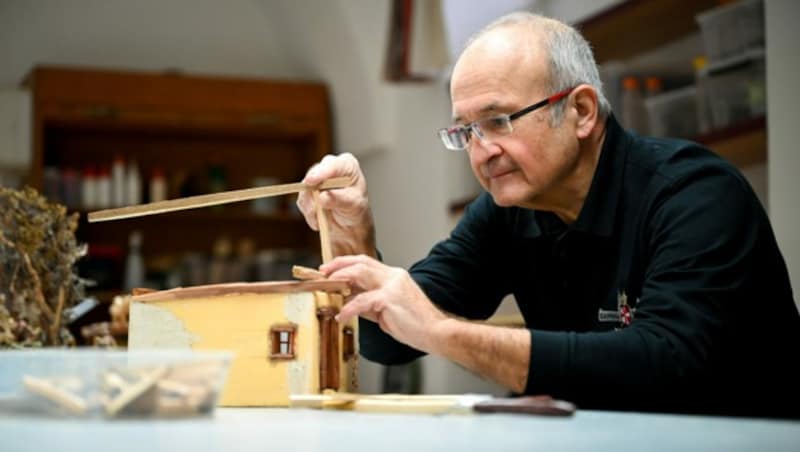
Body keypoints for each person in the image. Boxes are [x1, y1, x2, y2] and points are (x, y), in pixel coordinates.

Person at [296, 12, 800, 417]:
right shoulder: (506, 212)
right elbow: (385, 337)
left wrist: (443, 333)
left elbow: (664, 367)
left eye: (497, 121)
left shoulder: (695, 194)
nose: (481, 151)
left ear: (581, 111)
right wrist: (352, 234)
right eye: (465, 132)